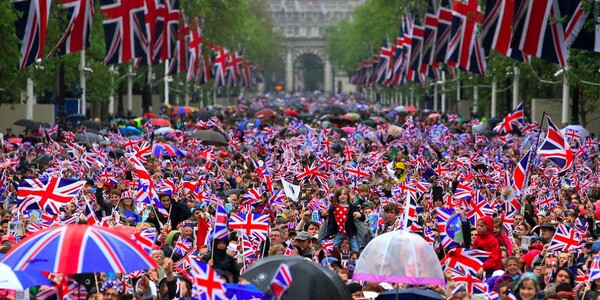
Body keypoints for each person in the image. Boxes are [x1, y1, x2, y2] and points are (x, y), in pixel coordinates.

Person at [326, 186, 365, 252]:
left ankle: (354, 261)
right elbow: (328, 217)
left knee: (356, 249)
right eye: (340, 194)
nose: (342, 196)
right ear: (337, 197)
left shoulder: (352, 207)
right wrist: (322, 214)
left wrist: (359, 215)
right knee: (332, 249)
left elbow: (363, 217)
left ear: (348, 196)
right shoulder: (333, 207)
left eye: (344, 194)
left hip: (350, 233)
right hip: (339, 232)